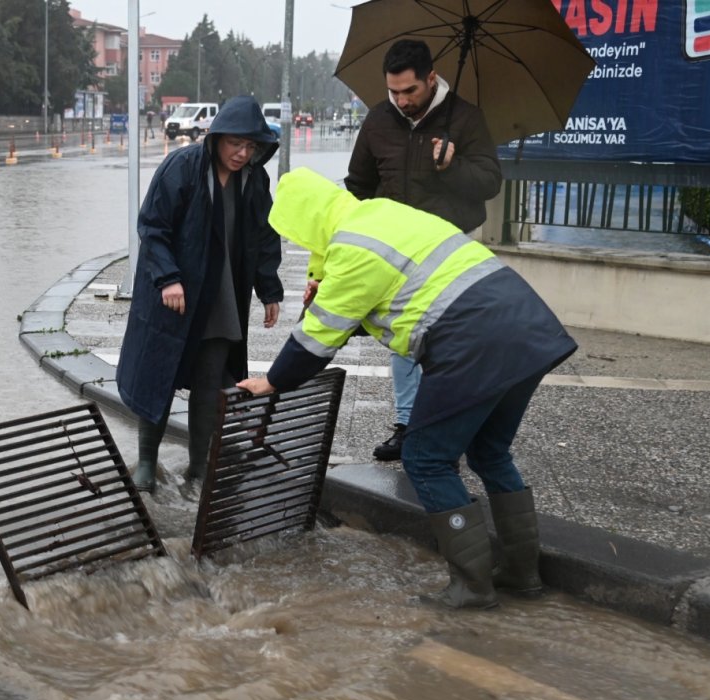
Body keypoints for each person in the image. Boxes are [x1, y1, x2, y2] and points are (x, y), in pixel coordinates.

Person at [239, 168, 576, 609]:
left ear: (304, 221)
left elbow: (315, 340)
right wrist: (334, 295)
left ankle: (472, 587)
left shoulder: (352, 250)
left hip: (471, 340)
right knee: (490, 452)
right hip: (527, 328)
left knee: (426, 458)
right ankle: (522, 572)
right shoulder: (382, 214)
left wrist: (273, 381)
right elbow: (402, 298)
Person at [342, 38, 502, 462]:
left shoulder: (466, 118)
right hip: (398, 253)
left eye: (409, 90)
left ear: (431, 78)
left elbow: (490, 182)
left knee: (448, 342)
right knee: (405, 338)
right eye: (393, 91)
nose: (401, 100)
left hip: (450, 250)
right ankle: (408, 426)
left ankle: (449, 425)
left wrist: (453, 166)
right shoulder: (378, 120)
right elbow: (357, 187)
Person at [117, 95, 284, 492]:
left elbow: (265, 237)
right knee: (159, 374)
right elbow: (152, 227)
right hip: (174, 293)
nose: (242, 154)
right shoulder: (183, 167)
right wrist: (168, 278)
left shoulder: (254, 180)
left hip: (222, 295)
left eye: (251, 146)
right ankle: (147, 462)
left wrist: (269, 290)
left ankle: (199, 465)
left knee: (210, 381)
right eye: (235, 144)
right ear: (216, 138)